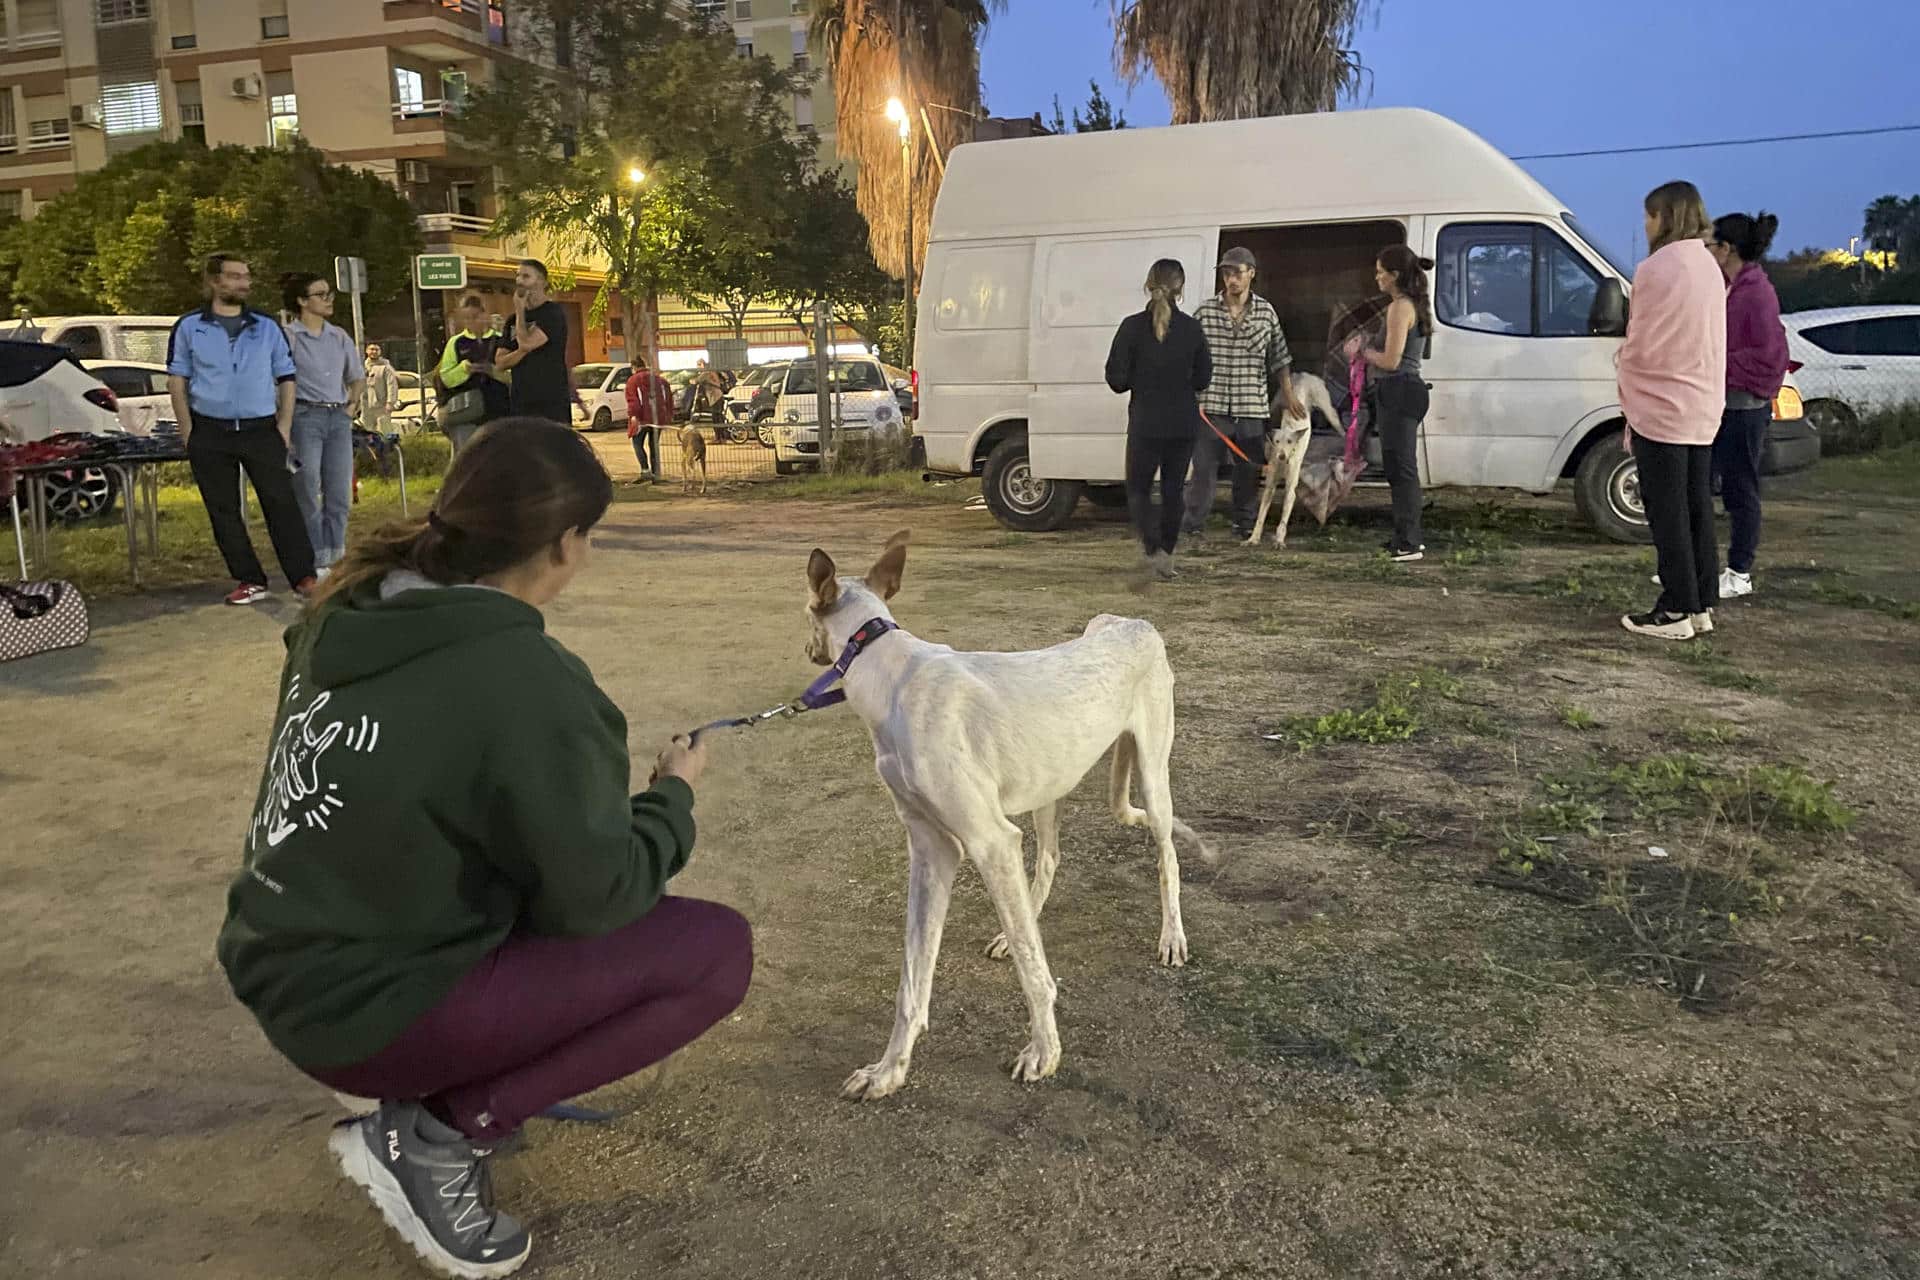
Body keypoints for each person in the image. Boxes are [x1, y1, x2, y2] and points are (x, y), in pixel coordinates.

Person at [215, 420, 753, 1279]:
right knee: (714, 953)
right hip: (364, 1009)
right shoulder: (524, 679)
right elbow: (598, 897)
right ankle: (437, 1135)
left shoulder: (347, 608)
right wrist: (671, 798)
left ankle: (433, 1084)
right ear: (565, 545)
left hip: (280, 966)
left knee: (505, 871)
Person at [165, 252, 317, 606]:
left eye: (246, 277)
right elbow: (177, 379)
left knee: (281, 503)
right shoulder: (189, 327)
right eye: (234, 277)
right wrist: (188, 431)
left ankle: (303, 576)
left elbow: (286, 377)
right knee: (223, 509)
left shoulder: (266, 326)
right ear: (214, 281)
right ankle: (249, 578)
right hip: (209, 430)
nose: (243, 283)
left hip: (261, 429)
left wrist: (284, 425)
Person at [1618, 181, 1727, 641]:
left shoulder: (1657, 267)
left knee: (1667, 512)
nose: (1645, 225)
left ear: (1666, 217)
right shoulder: (1708, 265)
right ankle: (1701, 602)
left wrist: (1623, 363)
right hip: (1702, 402)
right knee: (1696, 506)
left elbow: (1644, 339)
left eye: (1649, 216)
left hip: (1662, 403)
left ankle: (1676, 608)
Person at [1185, 246, 1305, 541]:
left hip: (1251, 405)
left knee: (1248, 471)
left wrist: (1288, 395)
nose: (1231, 279)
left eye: (1237, 273)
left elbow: (1280, 357)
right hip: (1210, 405)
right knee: (1203, 469)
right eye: (1226, 273)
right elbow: (1187, 357)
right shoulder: (1204, 312)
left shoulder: (1266, 312)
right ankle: (1193, 524)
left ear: (1251, 273)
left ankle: (1245, 523)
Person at [1105, 259, 1213, 580]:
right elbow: (1203, 379)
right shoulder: (1193, 329)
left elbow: (1116, 380)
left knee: (1138, 489)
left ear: (1148, 285)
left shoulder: (1130, 327)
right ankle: (1166, 552)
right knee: (1172, 490)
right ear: (1181, 289)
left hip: (1145, 424)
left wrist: (1140, 378)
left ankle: (1152, 549)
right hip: (1183, 423)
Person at [1707, 211, 1789, 600]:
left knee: (1741, 488)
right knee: (1707, 483)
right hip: (1725, 400)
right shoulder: (1733, 287)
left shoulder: (1755, 292)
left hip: (1745, 404)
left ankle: (1739, 572)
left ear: (1727, 249)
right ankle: (1701, 567)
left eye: (1711, 244)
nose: (1707, 251)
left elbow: (1770, 354)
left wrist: (1719, 362)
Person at [282, 272, 366, 576]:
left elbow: (357, 377)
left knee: (340, 490)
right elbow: (278, 382)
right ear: (302, 301)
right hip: (305, 417)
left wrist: (351, 406)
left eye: (329, 293)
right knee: (307, 487)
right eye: (321, 294)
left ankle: (336, 554)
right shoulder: (288, 337)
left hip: (338, 418)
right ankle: (316, 558)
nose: (329, 299)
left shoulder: (339, 336)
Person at [1359, 247, 1436, 562]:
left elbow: (1391, 361)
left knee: (1402, 469)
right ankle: (1403, 537)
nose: (1376, 277)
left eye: (1380, 271)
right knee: (1397, 467)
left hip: (1399, 390)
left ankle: (1409, 542)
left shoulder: (1399, 308)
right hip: (1406, 391)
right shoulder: (1412, 305)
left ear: (1395, 275)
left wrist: (1362, 351)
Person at [491, 259, 571, 423]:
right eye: (518, 276)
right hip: (521, 403)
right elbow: (500, 363)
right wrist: (522, 351)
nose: (519, 281)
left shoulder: (553, 313)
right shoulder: (512, 320)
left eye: (526, 276)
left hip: (551, 403)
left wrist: (520, 310)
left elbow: (526, 342)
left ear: (541, 282)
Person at [436, 295, 510, 453]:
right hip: (467, 413)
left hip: (499, 412)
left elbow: (514, 376)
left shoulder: (501, 341)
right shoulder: (456, 343)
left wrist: (494, 372)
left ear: (485, 314)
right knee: (466, 459)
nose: (471, 322)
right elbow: (446, 378)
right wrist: (464, 369)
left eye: (475, 316)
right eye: (466, 318)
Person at [624, 356, 675, 484]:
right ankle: (656, 474)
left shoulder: (632, 381)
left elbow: (633, 400)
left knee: (637, 444)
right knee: (654, 446)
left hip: (642, 419)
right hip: (658, 418)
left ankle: (645, 471)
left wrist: (634, 416)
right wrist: (668, 414)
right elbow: (668, 398)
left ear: (634, 367)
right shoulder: (660, 380)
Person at [363, 344, 399, 435]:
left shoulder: (386, 368)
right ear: (367, 351)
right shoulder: (362, 367)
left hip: (382, 405)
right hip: (366, 406)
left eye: (376, 350)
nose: (374, 352)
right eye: (371, 349)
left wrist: (390, 402)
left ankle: (390, 448)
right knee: (368, 432)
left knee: (385, 431)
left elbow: (392, 385)